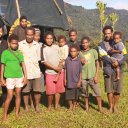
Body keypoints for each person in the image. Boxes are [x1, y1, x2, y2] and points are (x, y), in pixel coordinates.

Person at [98, 26, 126, 113]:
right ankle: (110, 107)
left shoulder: (118, 42)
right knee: (109, 89)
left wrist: (119, 63)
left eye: (109, 33)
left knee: (117, 89)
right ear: (103, 34)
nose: (107, 35)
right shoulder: (101, 44)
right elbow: (103, 56)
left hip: (119, 68)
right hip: (108, 69)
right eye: (105, 33)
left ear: (112, 33)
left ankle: (115, 107)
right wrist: (113, 62)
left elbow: (125, 55)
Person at [1, 34, 27, 121]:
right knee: (10, 96)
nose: (14, 45)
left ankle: (16, 113)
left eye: (16, 43)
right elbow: (2, 66)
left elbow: (23, 65)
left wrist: (25, 76)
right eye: (13, 43)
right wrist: (1, 78)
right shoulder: (5, 53)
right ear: (9, 43)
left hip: (19, 76)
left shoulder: (19, 53)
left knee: (18, 94)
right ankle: (5, 114)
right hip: (9, 77)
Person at [19, 27, 43, 113]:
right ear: (25, 35)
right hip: (25, 72)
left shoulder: (37, 45)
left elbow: (39, 59)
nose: (29, 36)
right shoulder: (20, 44)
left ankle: (37, 107)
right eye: (28, 35)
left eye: (31, 35)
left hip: (36, 71)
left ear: (34, 35)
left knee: (37, 91)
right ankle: (26, 107)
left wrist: (40, 71)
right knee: (25, 91)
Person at [41, 32, 65, 110]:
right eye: (48, 38)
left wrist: (60, 67)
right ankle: (49, 106)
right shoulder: (43, 48)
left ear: (53, 39)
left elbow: (62, 57)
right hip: (49, 73)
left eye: (51, 38)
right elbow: (44, 62)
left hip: (59, 72)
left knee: (58, 90)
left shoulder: (57, 47)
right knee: (50, 91)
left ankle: (56, 106)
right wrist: (55, 68)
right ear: (45, 39)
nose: (49, 40)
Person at [80, 36, 102, 112]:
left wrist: (96, 75)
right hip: (83, 76)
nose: (84, 44)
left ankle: (100, 108)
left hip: (92, 76)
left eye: (86, 42)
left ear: (89, 43)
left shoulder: (93, 51)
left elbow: (97, 63)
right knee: (85, 93)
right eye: (83, 43)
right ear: (81, 44)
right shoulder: (80, 53)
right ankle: (87, 108)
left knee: (97, 92)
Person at [65, 45, 82, 110]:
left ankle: (74, 105)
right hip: (69, 80)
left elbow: (80, 72)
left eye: (74, 51)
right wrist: (65, 79)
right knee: (69, 94)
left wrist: (79, 81)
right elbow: (65, 70)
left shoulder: (79, 61)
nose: (73, 53)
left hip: (76, 80)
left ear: (77, 52)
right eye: (71, 51)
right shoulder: (67, 60)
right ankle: (70, 106)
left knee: (75, 94)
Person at [0, 26, 8, 105]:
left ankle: (5, 102)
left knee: (4, 86)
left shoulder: (5, 43)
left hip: (3, 68)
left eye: (1, 32)